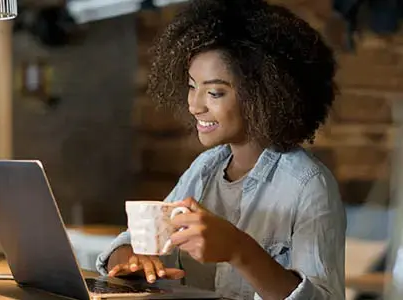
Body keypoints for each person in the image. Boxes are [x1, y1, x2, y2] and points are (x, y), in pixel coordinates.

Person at [96, 0, 346, 299]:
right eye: (192, 86)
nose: (195, 105)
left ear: (264, 95)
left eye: (214, 92)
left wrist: (239, 250)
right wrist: (132, 260)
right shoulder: (205, 169)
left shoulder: (308, 186)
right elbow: (127, 245)